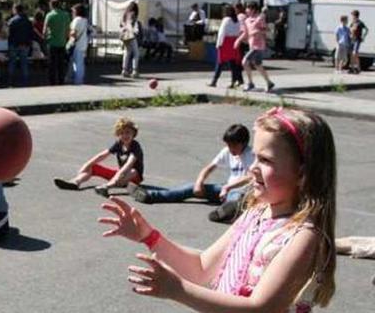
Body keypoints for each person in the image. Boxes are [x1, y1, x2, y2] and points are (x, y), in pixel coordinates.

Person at [98, 107, 336, 313]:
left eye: (265, 160)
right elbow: (201, 268)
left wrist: (178, 290)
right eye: (255, 158)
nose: (252, 168)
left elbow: (261, 308)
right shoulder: (256, 213)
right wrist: (149, 236)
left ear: (303, 173)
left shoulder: (303, 237)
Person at [131, 124, 252, 205]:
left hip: (244, 192)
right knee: (190, 188)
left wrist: (228, 187)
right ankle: (150, 196)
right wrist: (199, 183)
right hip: (225, 189)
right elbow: (209, 168)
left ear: (244, 143)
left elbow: (250, 177)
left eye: (234, 145)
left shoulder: (252, 154)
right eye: (228, 145)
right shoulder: (227, 151)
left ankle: (227, 212)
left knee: (235, 198)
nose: (230, 149)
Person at [53, 117, 144, 198]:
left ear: (133, 133)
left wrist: (112, 181)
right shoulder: (119, 144)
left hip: (133, 178)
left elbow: (127, 166)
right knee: (93, 167)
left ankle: (106, 187)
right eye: (122, 133)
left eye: (128, 132)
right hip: (120, 176)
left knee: (133, 171)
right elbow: (102, 155)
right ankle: (75, 183)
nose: (125, 136)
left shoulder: (135, 147)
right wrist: (87, 165)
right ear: (118, 134)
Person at [235, 1, 275, 92]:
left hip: (258, 46)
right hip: (252, 45)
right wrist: (239, 40)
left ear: (253, 10)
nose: (246, 10)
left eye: (248, 8)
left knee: (244, 61)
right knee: (258, 65)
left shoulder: (259, 18)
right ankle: (269, 82)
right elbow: (245, 33)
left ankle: (250, 83)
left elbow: (267, 30)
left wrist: (258, 32)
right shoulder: (247, 20)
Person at [209, 5, 243, 88]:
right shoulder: (237, 20)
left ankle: (214, 81)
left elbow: (221, 32)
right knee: (233, 63)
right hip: (234, 41)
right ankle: (233, 82)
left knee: (220, 63)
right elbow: (239, 31)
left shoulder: (226, 20)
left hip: (226, 42)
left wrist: (218, 44)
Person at [44, 0, 71, 85]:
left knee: (52, 64)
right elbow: (68, 30)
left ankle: (52, 82)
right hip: (62, 43)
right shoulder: (66, 15)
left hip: (52, 43)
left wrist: (45, 38)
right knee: (61, 64)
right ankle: (61, 81)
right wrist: (66, 39)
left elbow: (44, 31)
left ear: (51, 5)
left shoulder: (49, 15)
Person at [6, 4, 34, 87]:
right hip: (25, 44)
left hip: (14, 44)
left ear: (15, 10)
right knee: (24, 63)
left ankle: (11, 81)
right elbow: (31, 33)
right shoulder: (28, 21)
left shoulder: (12, 21)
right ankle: (25, 81)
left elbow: (8, 33)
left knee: (12, 62)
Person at [67, 3, 89, 85]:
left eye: (73, 11)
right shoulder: (85, 20)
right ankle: (75, 78)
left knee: (77, 63)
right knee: (80, 63)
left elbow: (73, 33)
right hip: (84, 44)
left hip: (76, 44)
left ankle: (78, 80)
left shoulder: (76, 20)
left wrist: (68, 35)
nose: (72, 13)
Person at [119, 1, 142, 78]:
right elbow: (132, 25)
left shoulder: (125, 15)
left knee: (127, 52)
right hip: (131, 35)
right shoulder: (133, 14)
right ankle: (135, 70)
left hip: (124, 36)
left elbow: (121, 25)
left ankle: (124, 70)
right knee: (136, 53)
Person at [348, 9, 368, 74]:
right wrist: (350, 34)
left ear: (356, 15)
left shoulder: (360, 23)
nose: (352, 17)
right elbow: (349, 29)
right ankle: (352, 67)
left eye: (353, 15)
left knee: (355, 53)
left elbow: (366, 29)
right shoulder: (352, 22)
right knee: (352, 54)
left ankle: (357, 67)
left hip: (357, 39)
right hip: (352, 40)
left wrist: (363, 36)